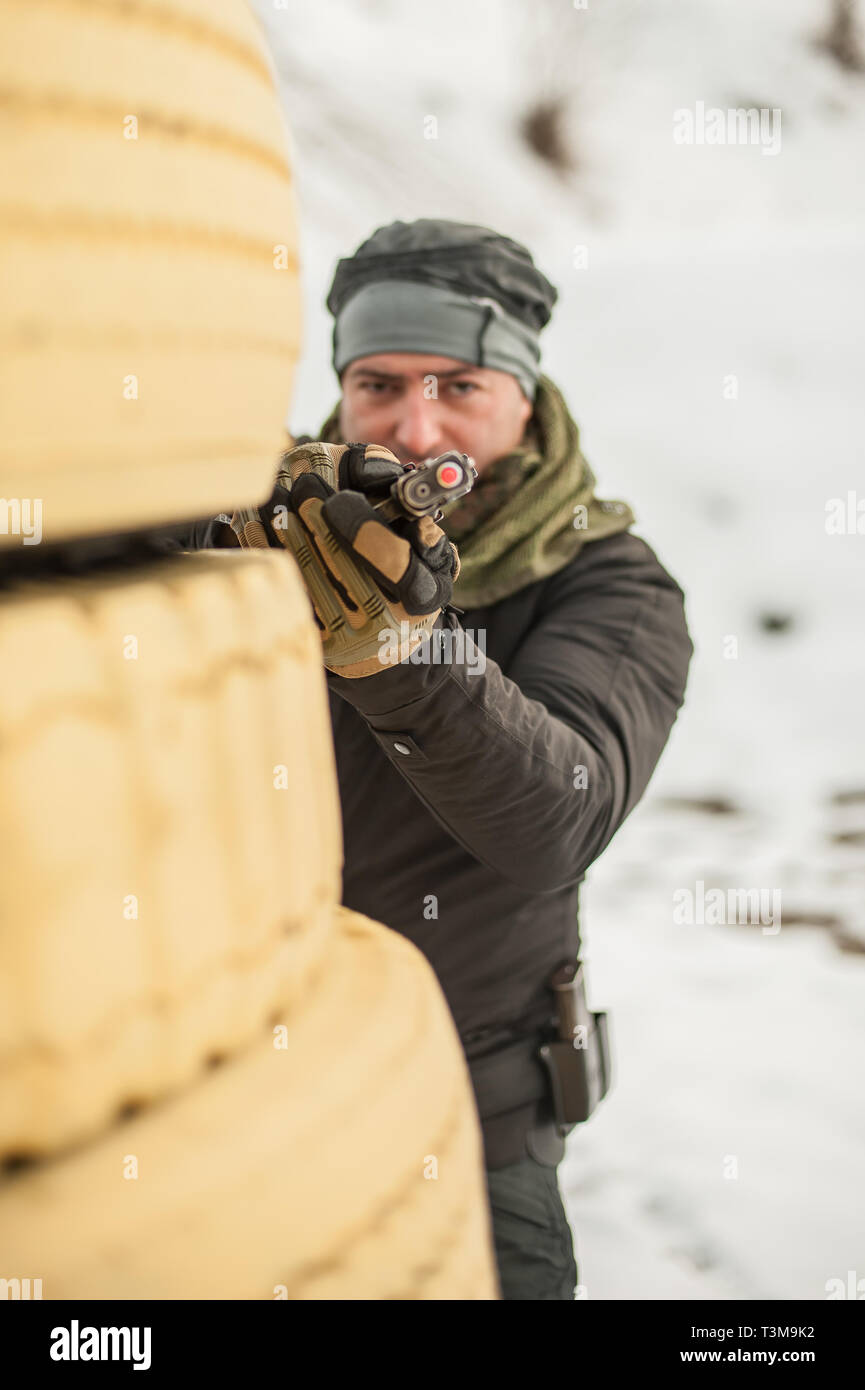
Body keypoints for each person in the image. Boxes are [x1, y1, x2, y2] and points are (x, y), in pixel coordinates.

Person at [165, 219, 694, 1299]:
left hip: (466, 1111)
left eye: (458, 385)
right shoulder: (256, 523)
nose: (415, 426)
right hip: (221, 1087)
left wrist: (398, 650)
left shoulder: (609, 583)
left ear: (523, 394)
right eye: (379, 384)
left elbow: (557, 820)